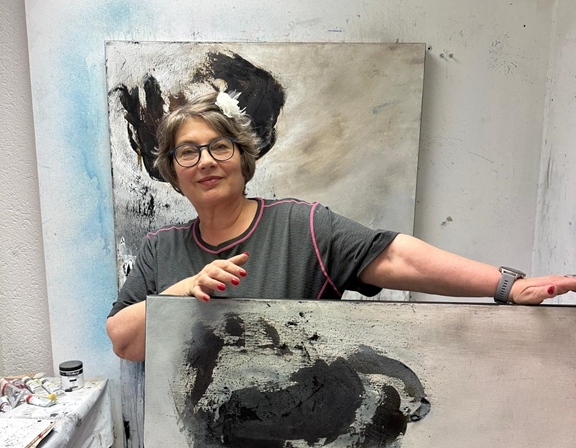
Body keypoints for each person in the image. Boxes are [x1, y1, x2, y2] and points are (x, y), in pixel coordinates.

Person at [106, 89, 576, 362]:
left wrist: (507, 286)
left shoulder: (303, 226)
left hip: (305, 446)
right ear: (173, 172)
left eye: (220, 147)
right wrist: (183, 290)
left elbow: (396, 255)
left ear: (243, 160)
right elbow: (124, 341)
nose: (206, 161)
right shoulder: (160, 249)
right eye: (188, 152)